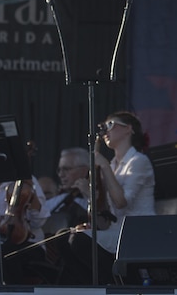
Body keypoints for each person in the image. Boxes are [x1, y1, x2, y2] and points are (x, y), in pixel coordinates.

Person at [54, 111, 155, 285]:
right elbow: (106, 219)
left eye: (110, 125)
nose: (105, 131)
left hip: (136, 234)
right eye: (103, 127)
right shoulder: (114, 165)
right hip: (116, 232)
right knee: (63, 236)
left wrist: (105, 168)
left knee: (79, 241)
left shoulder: (138, 161)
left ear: (128, 129)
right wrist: (89, 196)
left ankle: (118, 283)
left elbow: (121, 203)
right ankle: (91, 285)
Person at [43, 147, 90, 237]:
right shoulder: (60, 199)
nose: (61, 174)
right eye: (59, 170)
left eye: (66, 169)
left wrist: (88, 194)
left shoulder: (98, 194)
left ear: (83, 170)